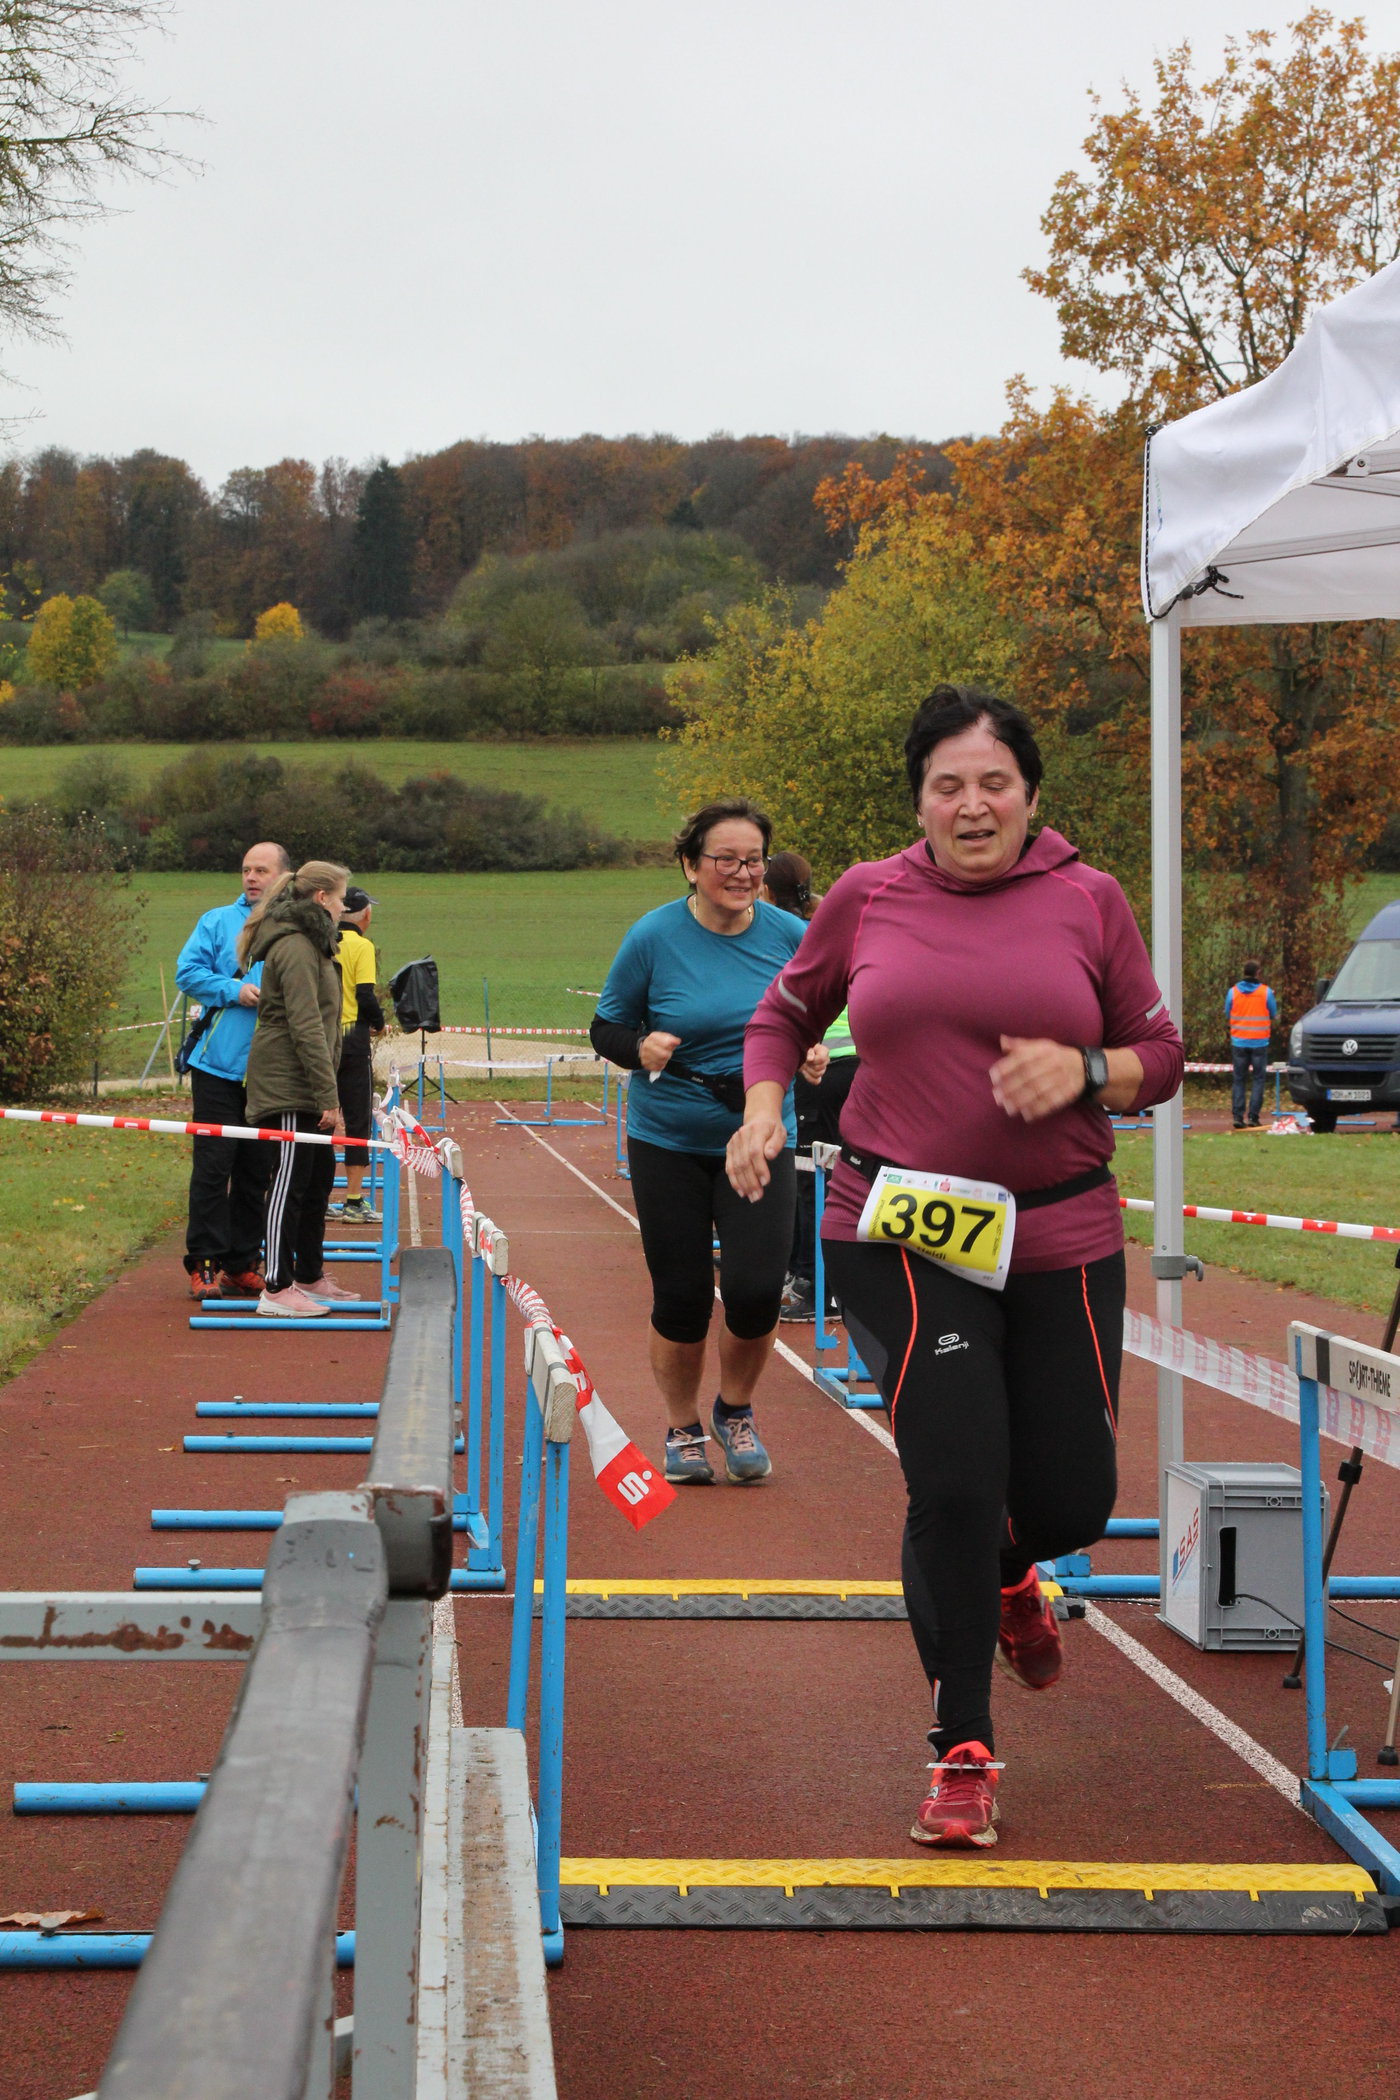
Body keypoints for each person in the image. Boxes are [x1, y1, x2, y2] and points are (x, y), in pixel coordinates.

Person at [728, 685, 1184, 1847]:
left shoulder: (1087, 899)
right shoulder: (865, 895)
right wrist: (762, 1111)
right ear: (918, 800)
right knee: (954, 1478)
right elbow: (781, 1017)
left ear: (1029, 795)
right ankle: (962, 1750)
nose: (971, 805)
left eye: (992, 783)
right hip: (896, 1224)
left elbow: (1160, 1051)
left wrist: (1086, 1070)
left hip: (1058, 1232)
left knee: (1069, 1499)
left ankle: (1014, 1574)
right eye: (947, 785)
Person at [589, 799, 820, 1486]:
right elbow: (605, 1028)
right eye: (726, 859)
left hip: (760, 1135)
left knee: (755, 1290)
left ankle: (735, 1409)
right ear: (692, 866)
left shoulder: (791, 936)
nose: (743, 873)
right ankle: (682, 1426)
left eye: (754, 860)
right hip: (669, 1139)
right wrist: (640, 1048)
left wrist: (812, 1047)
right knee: (683, 1295)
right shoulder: (653, 937)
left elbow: (823, 1012)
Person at [238, 860, 361, 1319]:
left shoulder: (316, 945)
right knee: (288, 1181)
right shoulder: (294, 946)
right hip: (288, 1083)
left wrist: (328, 1089)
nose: (346, 907)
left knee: (316, 1179)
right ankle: (275, 1286)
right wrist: (328, 1096)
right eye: (341, 898)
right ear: (321, 898)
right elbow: (305, 1024)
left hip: (308, 1081)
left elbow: (324, 1024)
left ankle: (308, 1274)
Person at [174, 841, 291, 1301]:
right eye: (246, 869)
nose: (251, 877)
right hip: (217, 1069)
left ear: (284, 876)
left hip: (269, 1074)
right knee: (212, 1168)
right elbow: (187, 972)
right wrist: (232, 989)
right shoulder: (217, 921)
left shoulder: (293, 926)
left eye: (261, 870)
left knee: (256, 1172)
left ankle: (242, 1264)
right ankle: (204, 1263)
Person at [759, 853, 850, 1324]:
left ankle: (821, 1288)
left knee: (814, 1175)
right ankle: (801, 1272)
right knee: (814, 1171)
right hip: (844, 1059)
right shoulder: (823, 921)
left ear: (766, 891)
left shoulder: (786, 933)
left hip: (823, 1061)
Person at [334, 886, 386, 1223]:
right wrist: (378, 1023)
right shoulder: (361, 945)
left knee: (318, 1118)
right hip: (352, 1038)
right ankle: (353, 1200)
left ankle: (315, 1197)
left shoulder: (323, 942)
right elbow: (365, 994)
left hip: (321, 1037)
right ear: (365, 914)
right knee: (357, 1120)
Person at [1225, 961, 1277, 1129]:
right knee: (1258, 1080)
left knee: (1239, 1080)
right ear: (1258, 973)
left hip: (1239, 1042)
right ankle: (1253, 1117)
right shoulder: (1266, 992)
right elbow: (1273, 1013)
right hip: (1260, 1042)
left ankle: (1238, 1116)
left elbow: (1227, 1012)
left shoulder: (1232, 992)